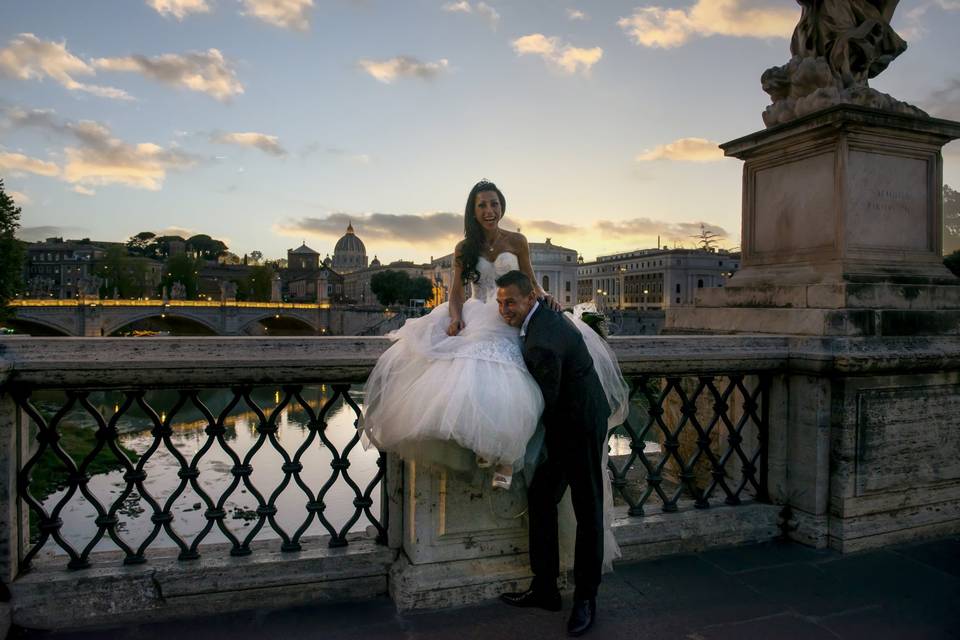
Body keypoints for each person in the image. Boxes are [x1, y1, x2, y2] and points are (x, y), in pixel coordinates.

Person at [361, 180, 559, 479]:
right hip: (477, 311)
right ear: (473, 211)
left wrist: (544, 297)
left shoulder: (517, 241)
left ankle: (500, 451)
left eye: (494, 203)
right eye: (482, 205)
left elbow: (529, 280)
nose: (489, 210)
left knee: (506, 373)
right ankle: (483, 447)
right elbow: (456, 292)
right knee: (468, 368)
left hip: (508, 313)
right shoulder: (464, 248)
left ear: (502, 206)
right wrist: (455, 317)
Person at [495, 269, 614, 637]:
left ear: (530, 298)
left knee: (587, 507)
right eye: (500, 303)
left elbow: (541, 406)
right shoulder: (542, 314)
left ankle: (585, 598)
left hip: (581, 424)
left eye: (510, 302)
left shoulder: (542, 340)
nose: (504, 310)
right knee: (542, 495)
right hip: (566, 419)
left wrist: (505, 451)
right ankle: (545, 589)